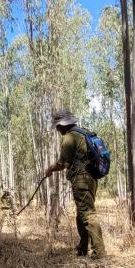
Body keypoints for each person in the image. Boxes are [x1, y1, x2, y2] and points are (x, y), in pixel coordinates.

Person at [44, 111, 106, 259]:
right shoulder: (83, 132)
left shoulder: (70, 137)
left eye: (58, 127)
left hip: (81, 180)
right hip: (91, 179)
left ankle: (99, 253)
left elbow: (62, 163)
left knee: (87, 214)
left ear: (63, 125)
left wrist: (50, 169)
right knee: (82, 214)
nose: (58, 130)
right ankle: (83, 248)